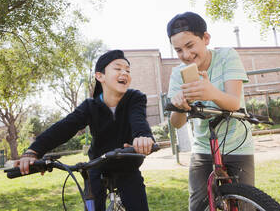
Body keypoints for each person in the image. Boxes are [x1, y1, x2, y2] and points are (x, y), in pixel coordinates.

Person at [14, 49, 155, 211]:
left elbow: (138, 120)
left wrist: (143, 137)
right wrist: (33, 151)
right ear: (100, 76)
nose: (124, 72)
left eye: (128, 70)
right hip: (97, 165)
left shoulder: (135, 98)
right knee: (93, 204)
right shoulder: (90, 106)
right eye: (118, 68)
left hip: (127, 164)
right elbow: (64, 127)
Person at [166, 12, 254, 211]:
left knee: (247, 205)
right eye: (178, 50)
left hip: (237, 144)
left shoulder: (227, 56)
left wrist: (211, 92)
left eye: (190, 46)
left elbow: (233, 102)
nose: (186, 55)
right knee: (198, 204)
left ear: (205, 39)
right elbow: (176, 122)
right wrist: (180, 107)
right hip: (203, 147)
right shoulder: (177, 74)